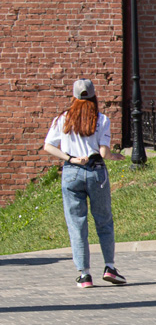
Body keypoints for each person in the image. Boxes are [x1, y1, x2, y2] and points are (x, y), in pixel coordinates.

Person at [42, 79, 127, 289]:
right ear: (93, 95)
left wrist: (69, 158)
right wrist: (117, 156)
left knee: (77, 223)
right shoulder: (101, 119)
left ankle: (84, 274)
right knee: (104, 220)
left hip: (71, 171)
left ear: (74, 96)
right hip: (96, 171)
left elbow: (48, 146)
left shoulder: (62, 119)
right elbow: (105, 153)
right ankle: (109, 267)